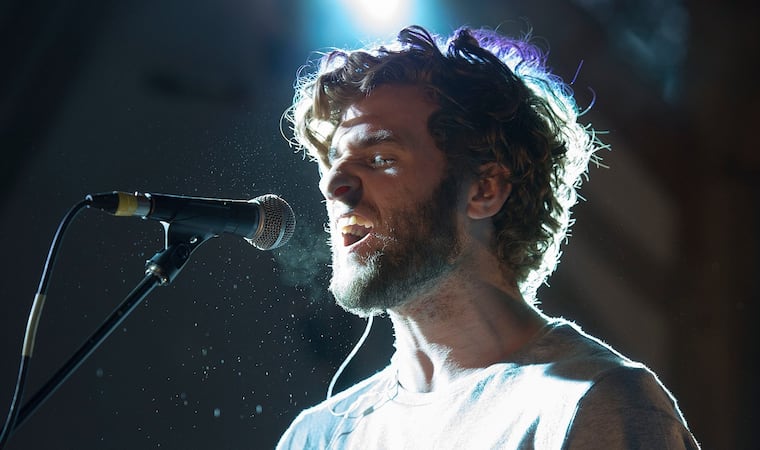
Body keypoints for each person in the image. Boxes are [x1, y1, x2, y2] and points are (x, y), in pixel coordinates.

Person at [278, 25, 700, 449]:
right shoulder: (317, 437)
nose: (332, 185)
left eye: (380, 158)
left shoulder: (590, 404)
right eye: (334, 162)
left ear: (484, 190)